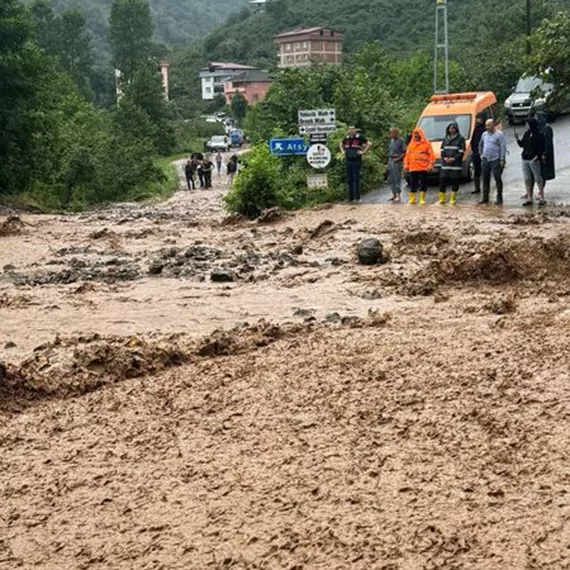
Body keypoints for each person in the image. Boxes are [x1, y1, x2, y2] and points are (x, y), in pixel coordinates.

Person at [516, 118, 545, 207]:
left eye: (527, 124)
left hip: (534, 159)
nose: (526, 125)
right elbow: (522, 145)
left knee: (538, 178)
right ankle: (529, 198)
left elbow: (542, 147)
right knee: (527, 179)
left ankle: (542, 197)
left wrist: (537, 157)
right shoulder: (527, 134)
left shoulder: (539, 135)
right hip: (525, 159)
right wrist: (517, 139)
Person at [340, 126, 372, 203]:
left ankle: (357, 198)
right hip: (348, 160)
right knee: (349, 180)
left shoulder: (359, 137)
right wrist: (342, 151)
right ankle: (351, 198)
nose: (351, 131)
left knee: (356, 179)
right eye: (349, 130)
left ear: (355, 130)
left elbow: (369, 143)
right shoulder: (347, 138)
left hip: (356, 160)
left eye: (352, 130)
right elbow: (341, 144)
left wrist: (364, 152)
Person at [403, 128, 435, 205]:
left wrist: (430, 164)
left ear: (421, 135)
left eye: (418, 134)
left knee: (423, 183)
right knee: (413, 183)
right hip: (413, 167)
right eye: (415, 134)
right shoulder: (411, 145)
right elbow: (407, 156)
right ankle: (412, 199)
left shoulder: (427, 144)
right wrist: (406, 164)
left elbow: (432, 155)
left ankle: (422, 199)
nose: (416, 136)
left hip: (423, 167)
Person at [479, 119, 507, 205]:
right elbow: (480, 144)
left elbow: (503, 147)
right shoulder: (484, 134)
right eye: (486, 125)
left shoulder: (499, 134)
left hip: (496, 159)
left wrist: (502, 159)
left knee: (497, 178)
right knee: (485, 178)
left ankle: (499, 198)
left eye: (489, 125)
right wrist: (481, 154)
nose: (487, 127)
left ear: (493, 125)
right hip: (485, 158)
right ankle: (485, 198)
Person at [439, 122, 466, 205]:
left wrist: (454, 158)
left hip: (455, 165)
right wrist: (444, 158)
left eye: (453, 128)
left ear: (456, 129)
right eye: (450, 128)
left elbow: (461, 151)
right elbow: (442, 150)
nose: (451, 130)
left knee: (455, 181)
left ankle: (453, 198)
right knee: (442, 180)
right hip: (445, 164)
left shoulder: (461, 138)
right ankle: (442, 198)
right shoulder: (445, 138)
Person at [536, 111, 555, 205]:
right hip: (539, 153)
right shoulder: (538, 128)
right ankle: (538, 191)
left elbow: (548, 143)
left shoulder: (547, 128)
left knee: (543, 174)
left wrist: (545, 154)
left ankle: (541, 191)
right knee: (538, 173)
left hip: (545, 153)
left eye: (538, 117)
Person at [387, 128, 406, 203]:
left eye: (392, 133)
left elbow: (405, 152)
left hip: (397, 161)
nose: (391, 134)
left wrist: (398, 159)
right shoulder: (391, 141)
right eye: (390, 133)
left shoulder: (401, 141)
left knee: (397, 178)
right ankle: (394, 194)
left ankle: (398, 195)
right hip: (390, 160)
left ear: (396, 133)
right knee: (391, 179)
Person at [470, 113, 486, 195]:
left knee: (486, 172)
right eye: (477, 119)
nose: (478, 120)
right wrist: (474, 150)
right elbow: (472, 141)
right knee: (477, 171)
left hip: (485, 154)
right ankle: (477, 187)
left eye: (479, 119)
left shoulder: (485, 130)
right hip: (476, 153)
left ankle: (485, 189)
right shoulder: (475, 129)